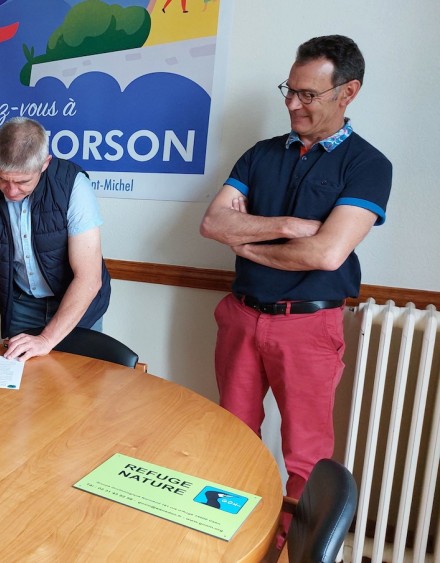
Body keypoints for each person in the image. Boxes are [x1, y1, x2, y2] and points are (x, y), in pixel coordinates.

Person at [199, 35, 391, 540]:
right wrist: (292, 224)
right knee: (232, 437)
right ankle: (233, 539)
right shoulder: (259, 155)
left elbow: (328, 254)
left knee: (306, 456)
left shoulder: (368, 165)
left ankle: (293, 550)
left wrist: (251, 242)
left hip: (308, 324)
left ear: (347, 93)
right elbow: (214, 224)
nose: (291, 103)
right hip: (241, 316)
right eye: (290, 89)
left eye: (307, 94)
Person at [0, 117, 111, 362]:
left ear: (44, 164)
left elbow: (89, 279)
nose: (11, 191)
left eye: (22, 182)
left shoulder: (73, 186)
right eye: (2, 179)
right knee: (23, 389)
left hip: (77, 304)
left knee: (78, 388)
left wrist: (47, 340)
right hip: (22, 304)